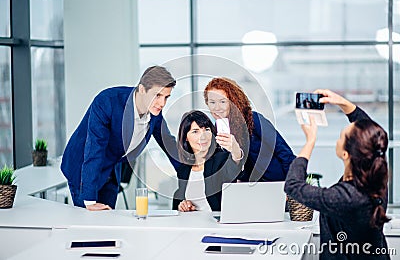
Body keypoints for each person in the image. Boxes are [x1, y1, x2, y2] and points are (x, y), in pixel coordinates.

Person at [285, 89, 390, 259]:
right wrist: (342, 102)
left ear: (346, 154)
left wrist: (310, 141)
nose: (336, 141)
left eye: (341, 137)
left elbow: (293, 186)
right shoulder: (377, 176)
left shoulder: (344, 197)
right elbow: (371, 132)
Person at [61, 66, 179, 211]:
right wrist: (90, 201)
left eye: (166, 97)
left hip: (111, 169)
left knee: (108, 223)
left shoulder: (154, 112)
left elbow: (169, 144)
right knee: (89, 223)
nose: (162, 103)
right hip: (83, 169)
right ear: (142, 89)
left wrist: (192, 174)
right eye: (157, 95)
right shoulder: (107, 102)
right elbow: (94, 149)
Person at [204, 77, 296, 182]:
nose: (217, 108)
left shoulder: (253, 119)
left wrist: (292, 184)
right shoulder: (217, 130)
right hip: (250, 187)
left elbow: (283, 151)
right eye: (212, 102)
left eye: (222, 101)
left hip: (275, 181)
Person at [173, 110, 243, 212]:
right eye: (195, 131)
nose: (203, 136)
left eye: (206, 129)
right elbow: (179, 202)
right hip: (194, 225)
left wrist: (235, 149)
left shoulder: (221, 159)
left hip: (217, 225)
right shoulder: (184, 169)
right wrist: (183, 205)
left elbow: (234, 168)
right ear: (186, 138)